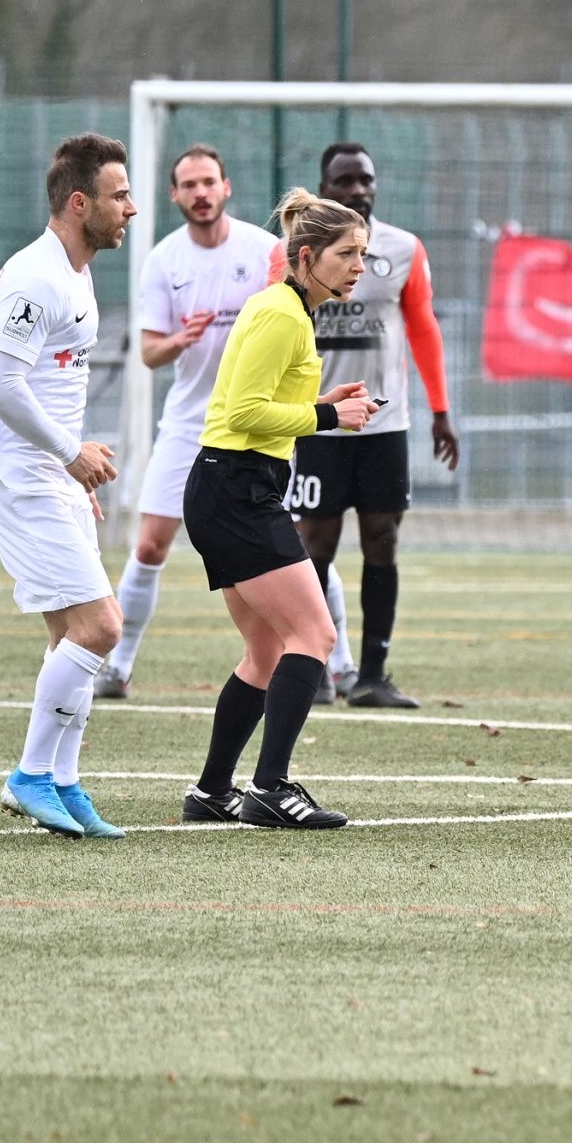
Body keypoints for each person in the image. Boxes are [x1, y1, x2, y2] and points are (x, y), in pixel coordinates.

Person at [181, 188, 379, 829]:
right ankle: (270, 788)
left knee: (267, 650)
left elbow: (260, 403)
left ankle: (212, 791)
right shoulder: (282, 314)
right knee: (316, 636)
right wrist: (328, 416)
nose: (359, 266)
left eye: (363, 254)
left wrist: (323, 402)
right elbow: (244, 413)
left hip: (232, 487)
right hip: (236, 488)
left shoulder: (287, 308)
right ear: (307, 255)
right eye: (347, 253)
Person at [0, 132, 136, 839]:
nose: (130, 208)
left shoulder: (76, 271)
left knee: (73, 635)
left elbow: (48, 384)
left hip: (50, 477)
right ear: (79, 203)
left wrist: (73, 474)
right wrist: (69, 455)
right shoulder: (37, 277)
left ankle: (63, 782)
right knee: (103, 627)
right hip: (21, 478)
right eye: (119, 196)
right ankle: (30, 776)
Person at [267, 143, 457, 708]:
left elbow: (422, 328)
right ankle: (311, 669)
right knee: (316, 542)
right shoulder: (291, 253)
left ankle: (373, 674)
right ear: (324, 189)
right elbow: (275, 328)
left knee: (382, 539)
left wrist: (441, 411)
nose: (358, 191)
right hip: (319, 422)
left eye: (366, 180)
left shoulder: (403, 249)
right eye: (345, 182)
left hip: (384, 422)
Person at [95, 144, 281, 698]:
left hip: (256, 421)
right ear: (175, 195)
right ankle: (118, 667)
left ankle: (335, 664)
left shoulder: (265, 250)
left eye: (209, 182)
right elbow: (150, 353)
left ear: (226, 188)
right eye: (190, 185)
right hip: (187, 426)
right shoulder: (163, 260)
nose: (201, 193)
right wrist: (182, 338)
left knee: (294, 539)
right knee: (151, 543)